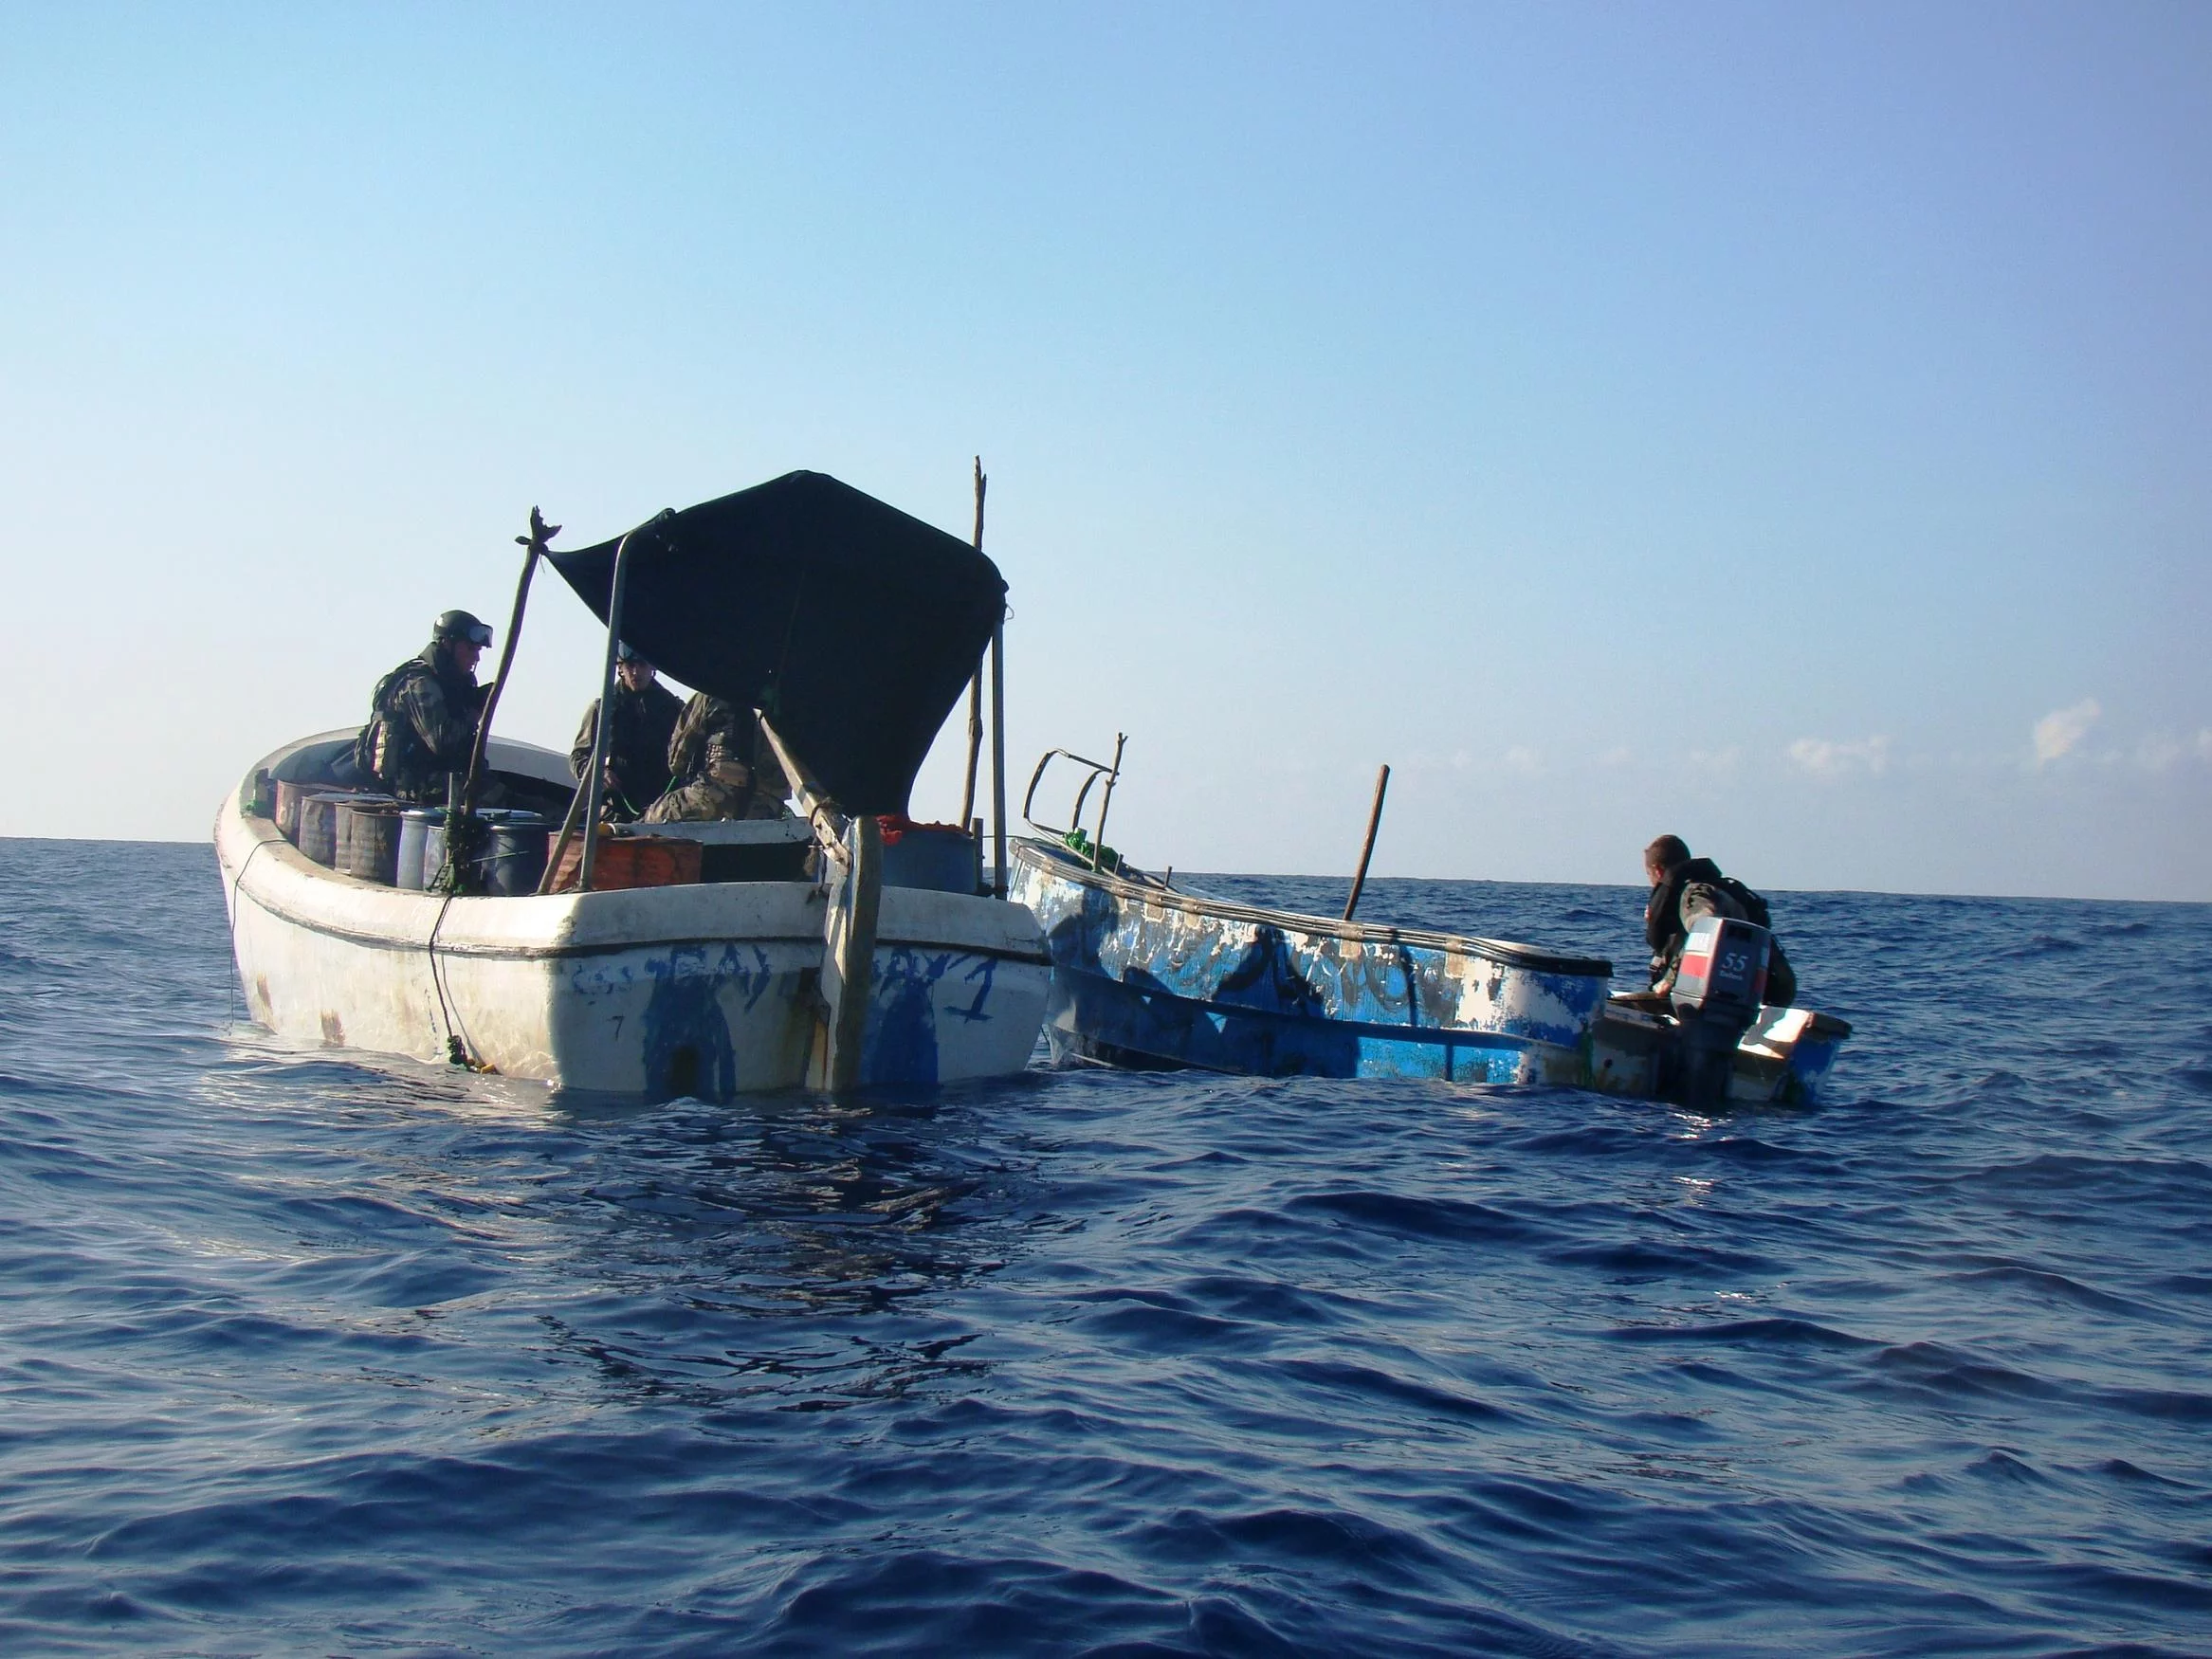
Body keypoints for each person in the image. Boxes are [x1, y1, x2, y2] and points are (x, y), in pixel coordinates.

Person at [353, 610, 495, 804]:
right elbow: (442, 742)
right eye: (470, 649)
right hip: (414, 787)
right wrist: (477, 710)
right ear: (447, 644)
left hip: (442, 780)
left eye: (478, 650)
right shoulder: (419, 683)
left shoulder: (454, 683)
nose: (476, 658)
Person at [1642, 834, 1798, 1006]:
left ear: (1658, 871)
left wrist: (1668, 980)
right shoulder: (1728, 892)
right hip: (1756, 997)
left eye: (1649, 875)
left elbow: (1705, 929)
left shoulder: (1695, 894)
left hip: (1705, 1004)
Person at [568, 645, 685, 820]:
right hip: (615, 812)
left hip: (665, 811)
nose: (636, 672)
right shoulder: (601, 709)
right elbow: (579, 756)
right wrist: (598, 774)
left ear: (653, 667)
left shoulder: (676, 709)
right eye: (630, 665)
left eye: (642, 665)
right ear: (620, 669)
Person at [641, 692, 793, 823]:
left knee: (655, 814)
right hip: (766, 809)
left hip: (715, 800)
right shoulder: (780, 697)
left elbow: (677, 763)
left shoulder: (711, 693)